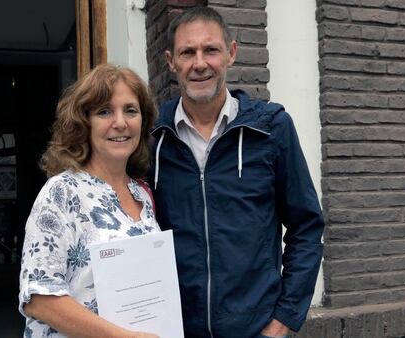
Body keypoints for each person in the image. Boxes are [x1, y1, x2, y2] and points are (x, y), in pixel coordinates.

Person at [150, 6, 325, 338]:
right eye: (188, 52)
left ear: (230, 54)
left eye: (210, 50)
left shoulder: (271, 129)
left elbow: (307, 227)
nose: (199, 63)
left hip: (255, 331)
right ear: (171, 61)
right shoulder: (153, 138)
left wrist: (282, 322)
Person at [19, 63, 160, 338]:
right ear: (84, 122)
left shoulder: (140, 193)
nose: (120, 122)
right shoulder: (62, 192)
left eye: (130, 110)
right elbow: (39, 297)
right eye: (104, 111)